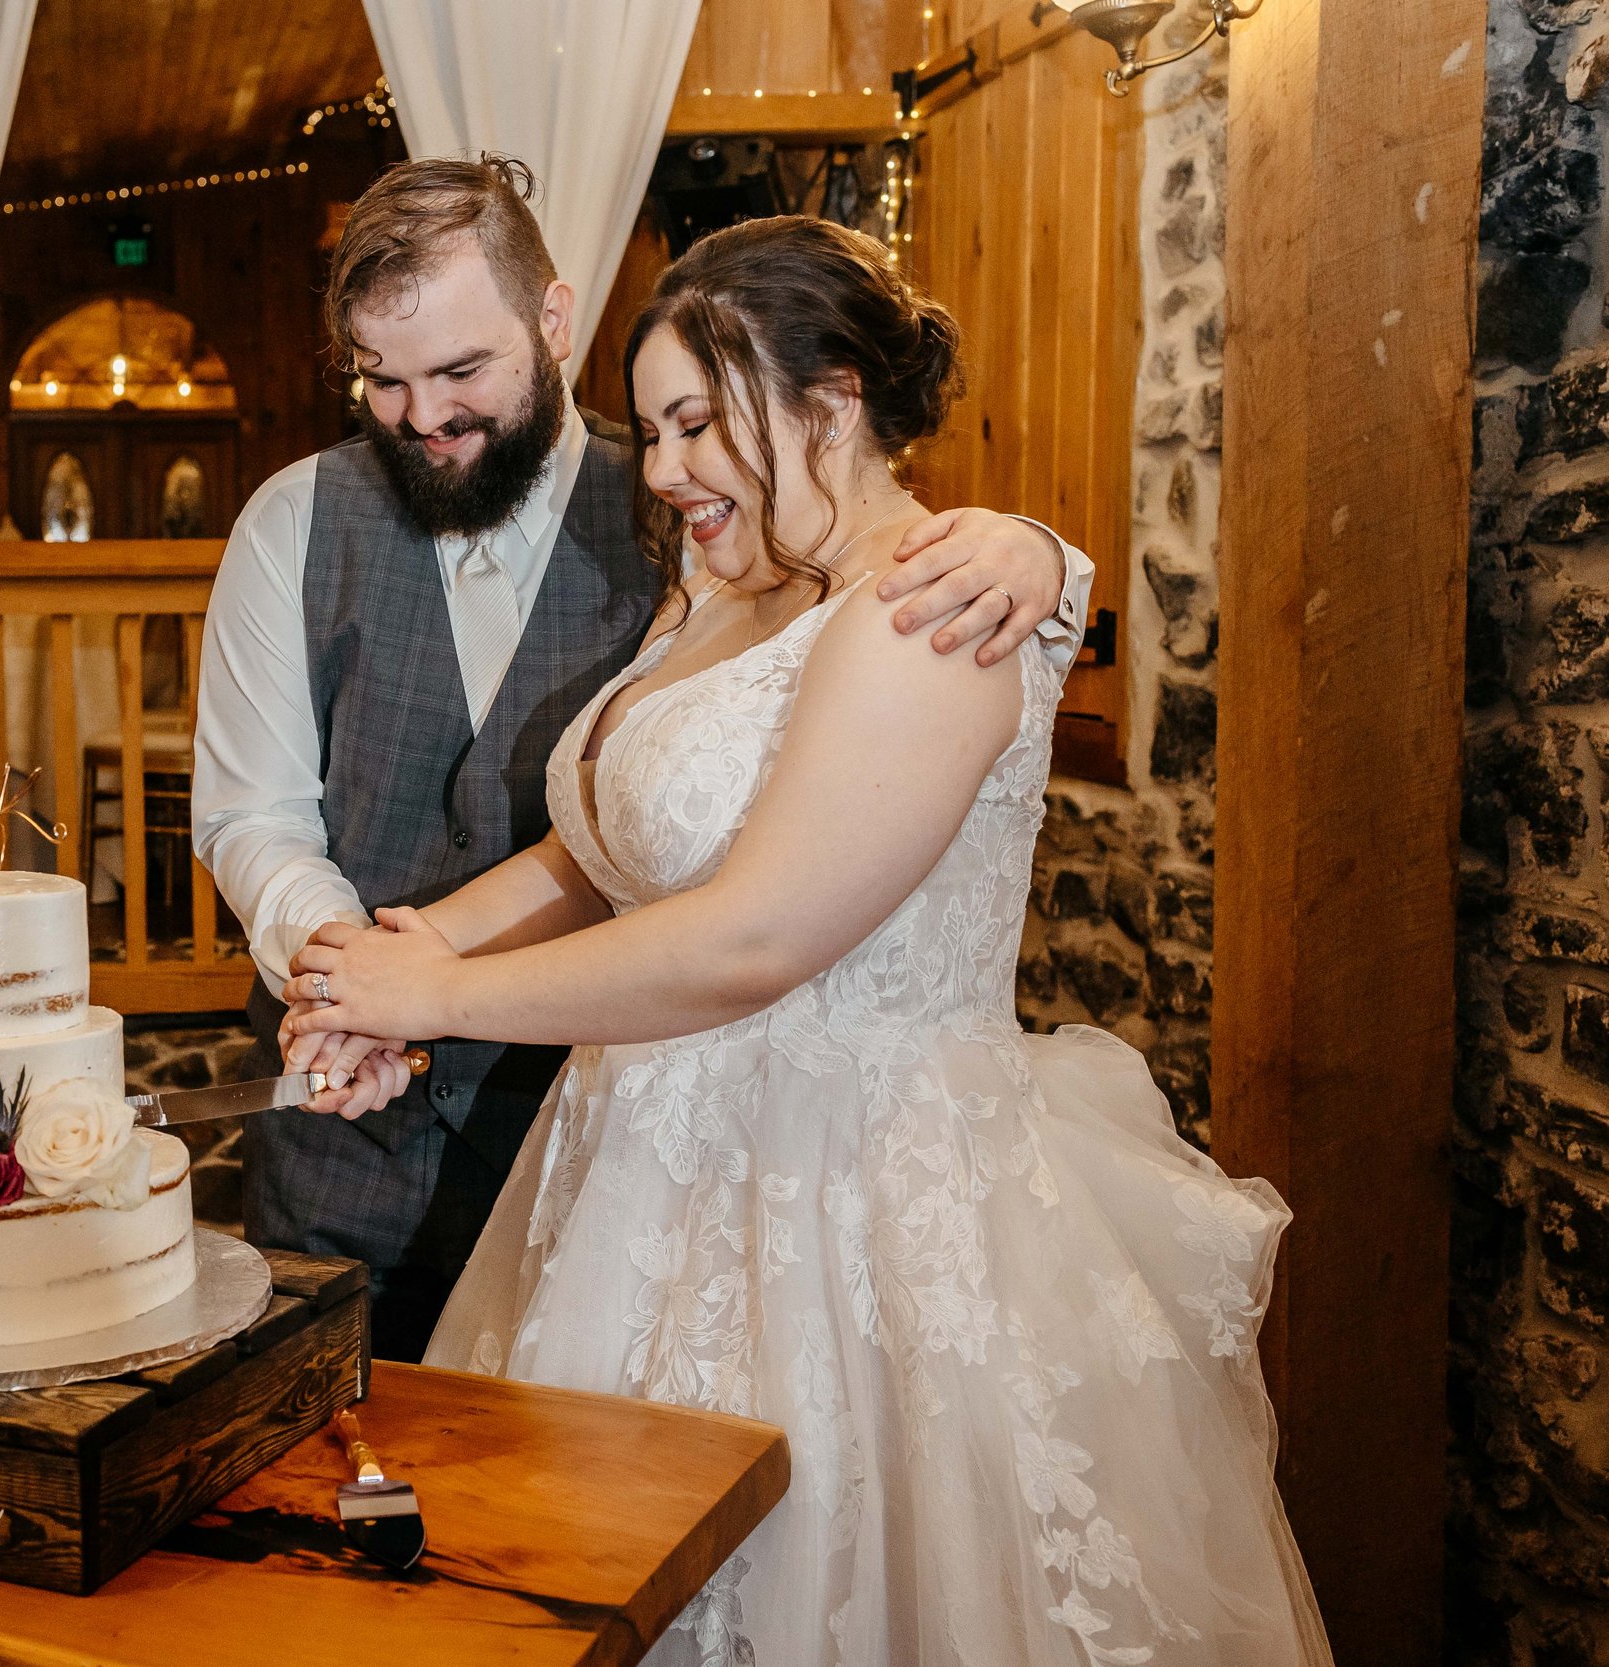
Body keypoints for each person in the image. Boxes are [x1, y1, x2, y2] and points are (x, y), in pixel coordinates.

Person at [281, 216, 1331, 1664]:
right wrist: (379, 968)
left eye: (697, 422)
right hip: (640, 1181)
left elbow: (752, 938)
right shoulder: (729, 591)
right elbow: (597, 857)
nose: (661, 471)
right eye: (651, 429)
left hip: (842, 1204)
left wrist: (445, 992)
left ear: (831, 398)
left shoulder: (932, 609)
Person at [193, 155, 1096, 1362]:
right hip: (507, 1149)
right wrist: (366, 972)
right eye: (382, 381)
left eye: (462, 370)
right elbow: (557, 843)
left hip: (815, 1182)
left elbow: (758, 929)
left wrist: (1034, 550)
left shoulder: (707, 531)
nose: (423, 415)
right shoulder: (706, 571)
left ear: (552, 321)